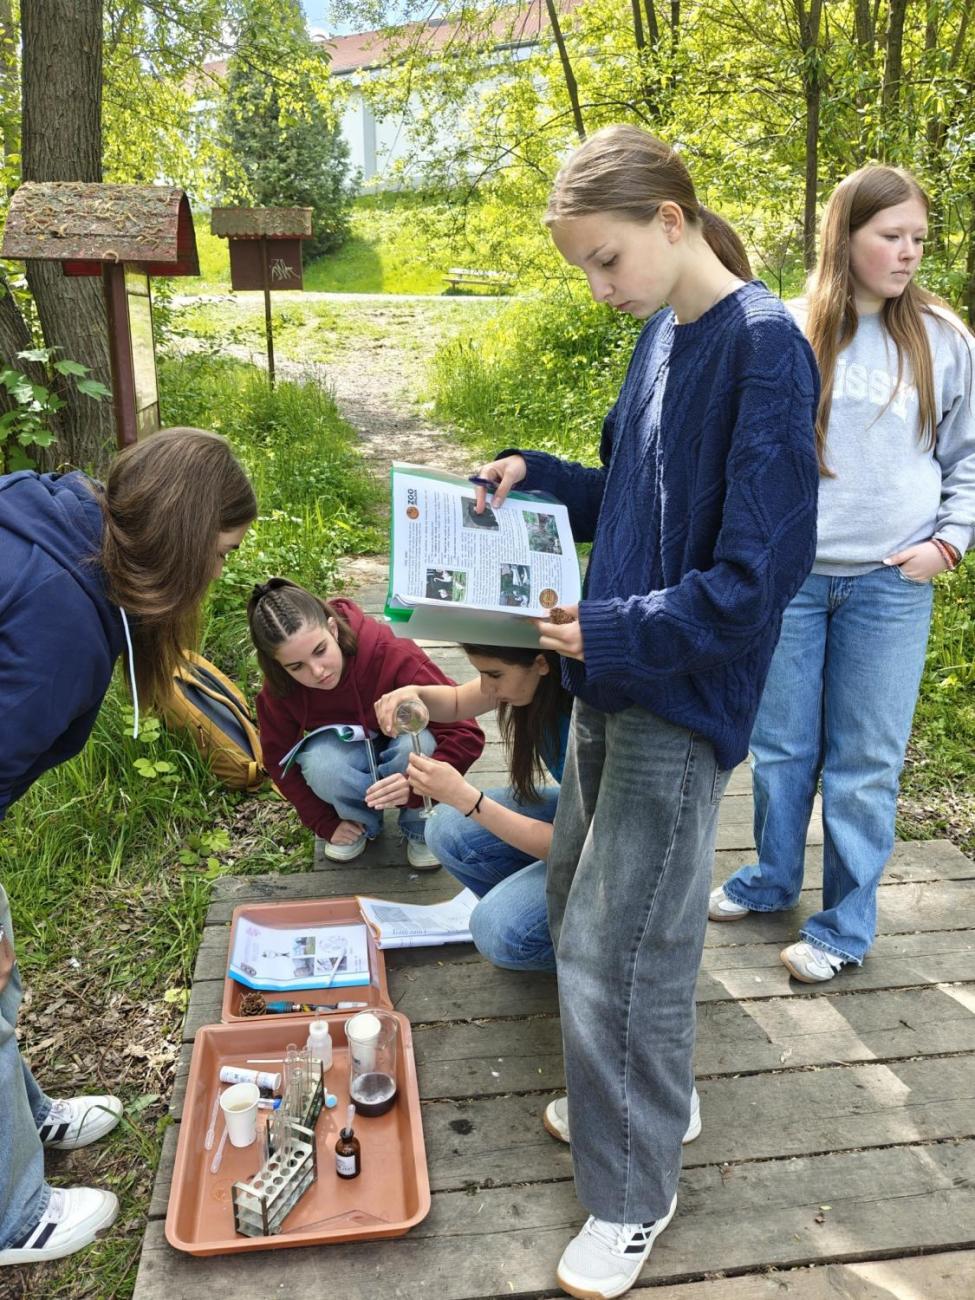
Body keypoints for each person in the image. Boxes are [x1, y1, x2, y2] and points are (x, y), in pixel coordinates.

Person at [473, 125, 819, 1300]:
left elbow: (755, 574)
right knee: (582, 904)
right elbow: (634, 494)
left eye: (605, 258)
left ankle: (634, 1194)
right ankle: (645, 1097)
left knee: (629, 947)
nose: (597, 285)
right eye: (582, 265)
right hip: (610, 679)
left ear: (672, 221)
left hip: (679, 695)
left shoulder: (765, 347)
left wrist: (617, 631)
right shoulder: (664, 332)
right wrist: (545, 476)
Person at [710, 166, 975, 982]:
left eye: (917, 239)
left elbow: (967, 456)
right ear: (844, 235)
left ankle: (842, 927)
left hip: (890, 586)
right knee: (781, 745)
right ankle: (771, 876)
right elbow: (744, 455)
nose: (906, 253)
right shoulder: (786, 331)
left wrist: (948, 543)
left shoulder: (943, 337)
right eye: (889, 236)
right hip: (790, 583)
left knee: (864, 761)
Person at [0, 427, 257, 1267]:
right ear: (183, 541)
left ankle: (22, 1115)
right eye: (219, 553)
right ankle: (15, 1217)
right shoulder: (61, 625)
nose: (219, 574)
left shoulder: (64, 515)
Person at [247, 579, 484, 869]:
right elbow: (277, 759)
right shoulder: (279, 690)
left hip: (406, 739)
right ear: (278, 665)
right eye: (297, 667)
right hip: (349, 748)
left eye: (320, 650)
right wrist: (324, 822)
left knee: (417, 743)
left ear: (332, 629)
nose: (317, 671)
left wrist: (418, 786)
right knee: (320, 762)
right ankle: (358, 823)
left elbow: (467, 732)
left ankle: (421, 826)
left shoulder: (391, 652)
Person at [375, 644, 572, 972]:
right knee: (445, 827)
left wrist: (466, 798)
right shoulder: (530, 679)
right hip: (576, 819)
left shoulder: (592, 713)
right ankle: (540, 908)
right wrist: (415, 692)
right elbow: (454, 703)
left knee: (496, 932)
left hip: (613, 861)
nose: (485, 688)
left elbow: (569, 848)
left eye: (493, 675)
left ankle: (606, 949)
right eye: (480, 673)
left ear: (541, 663)